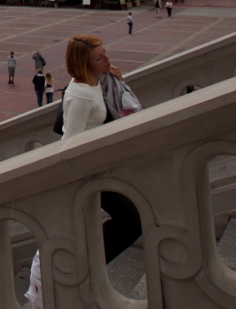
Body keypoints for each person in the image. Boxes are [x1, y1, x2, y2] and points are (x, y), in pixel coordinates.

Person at [27, 36, 142, 309]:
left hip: (96, 169)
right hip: (84, 175)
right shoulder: (80, 94)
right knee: (130, 221)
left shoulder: (93, 82)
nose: (107, 59)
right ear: (84, 63)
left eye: (105, 53)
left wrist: (109, 75)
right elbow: (70, 143)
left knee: (129, 220)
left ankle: (85, 265)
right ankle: (84, 266)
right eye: (99, 57)